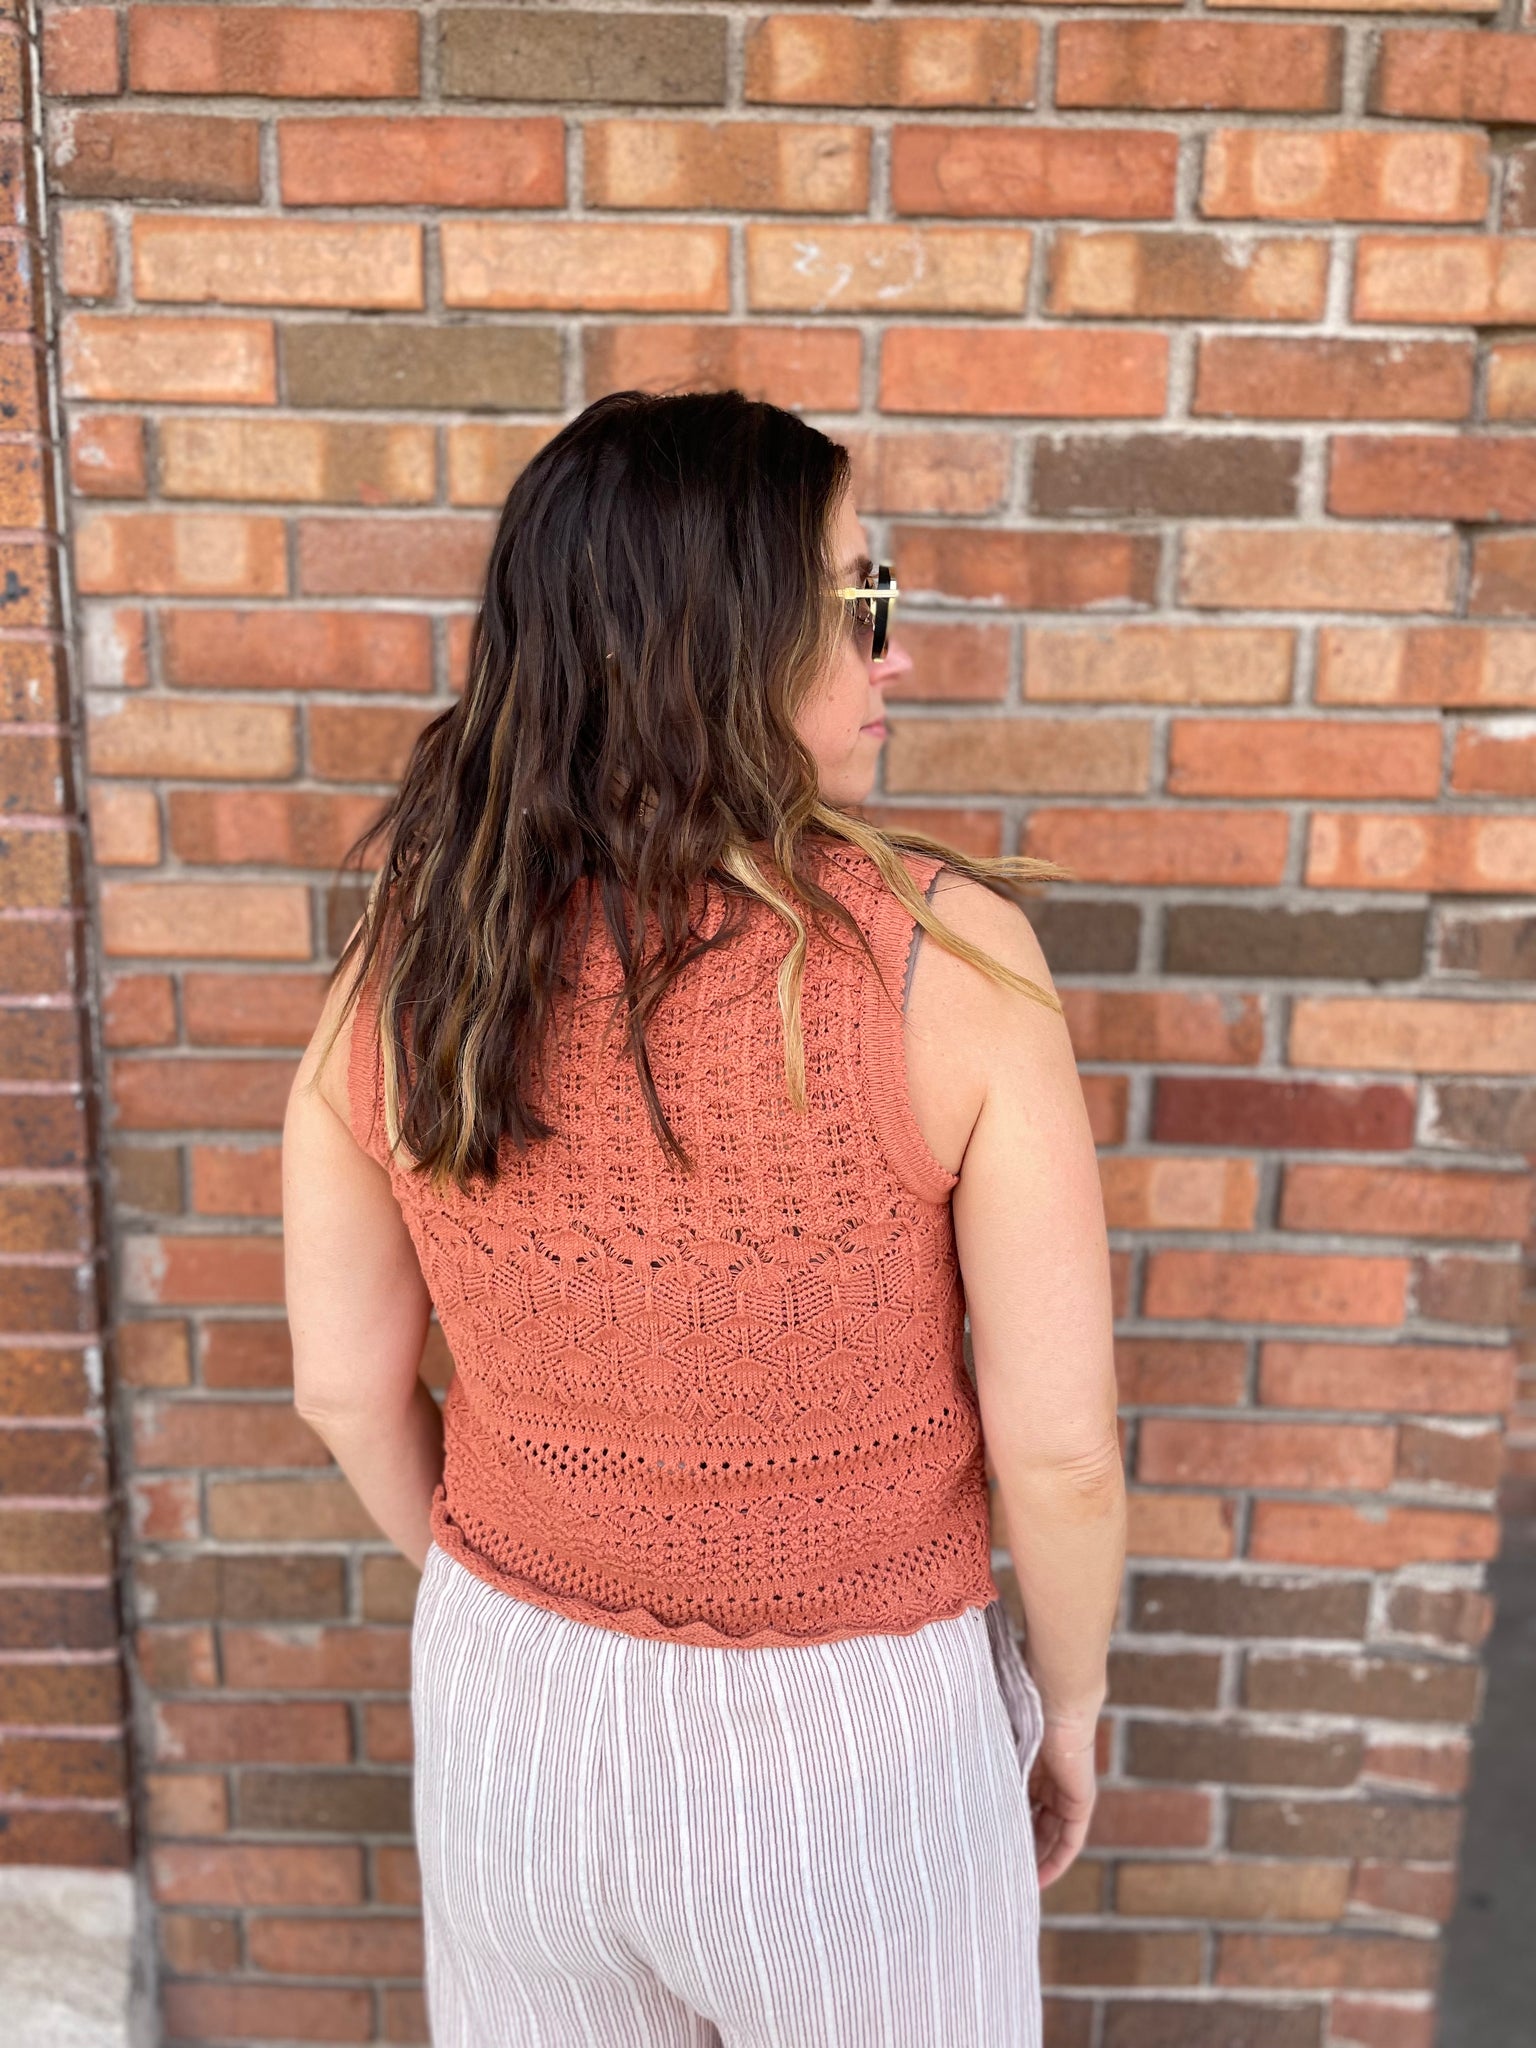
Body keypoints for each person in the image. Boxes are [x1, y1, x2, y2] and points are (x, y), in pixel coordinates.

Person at [282, 388, 1125, 2047]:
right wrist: (1072, 1704)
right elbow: (1063, 1453)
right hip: (856, 1733)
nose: (894, 653)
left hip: (509, 1712)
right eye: (860, 598)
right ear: (727, 644)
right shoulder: (943, 966)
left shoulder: (405, 965)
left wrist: (524, 1606)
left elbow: (342, 1390)